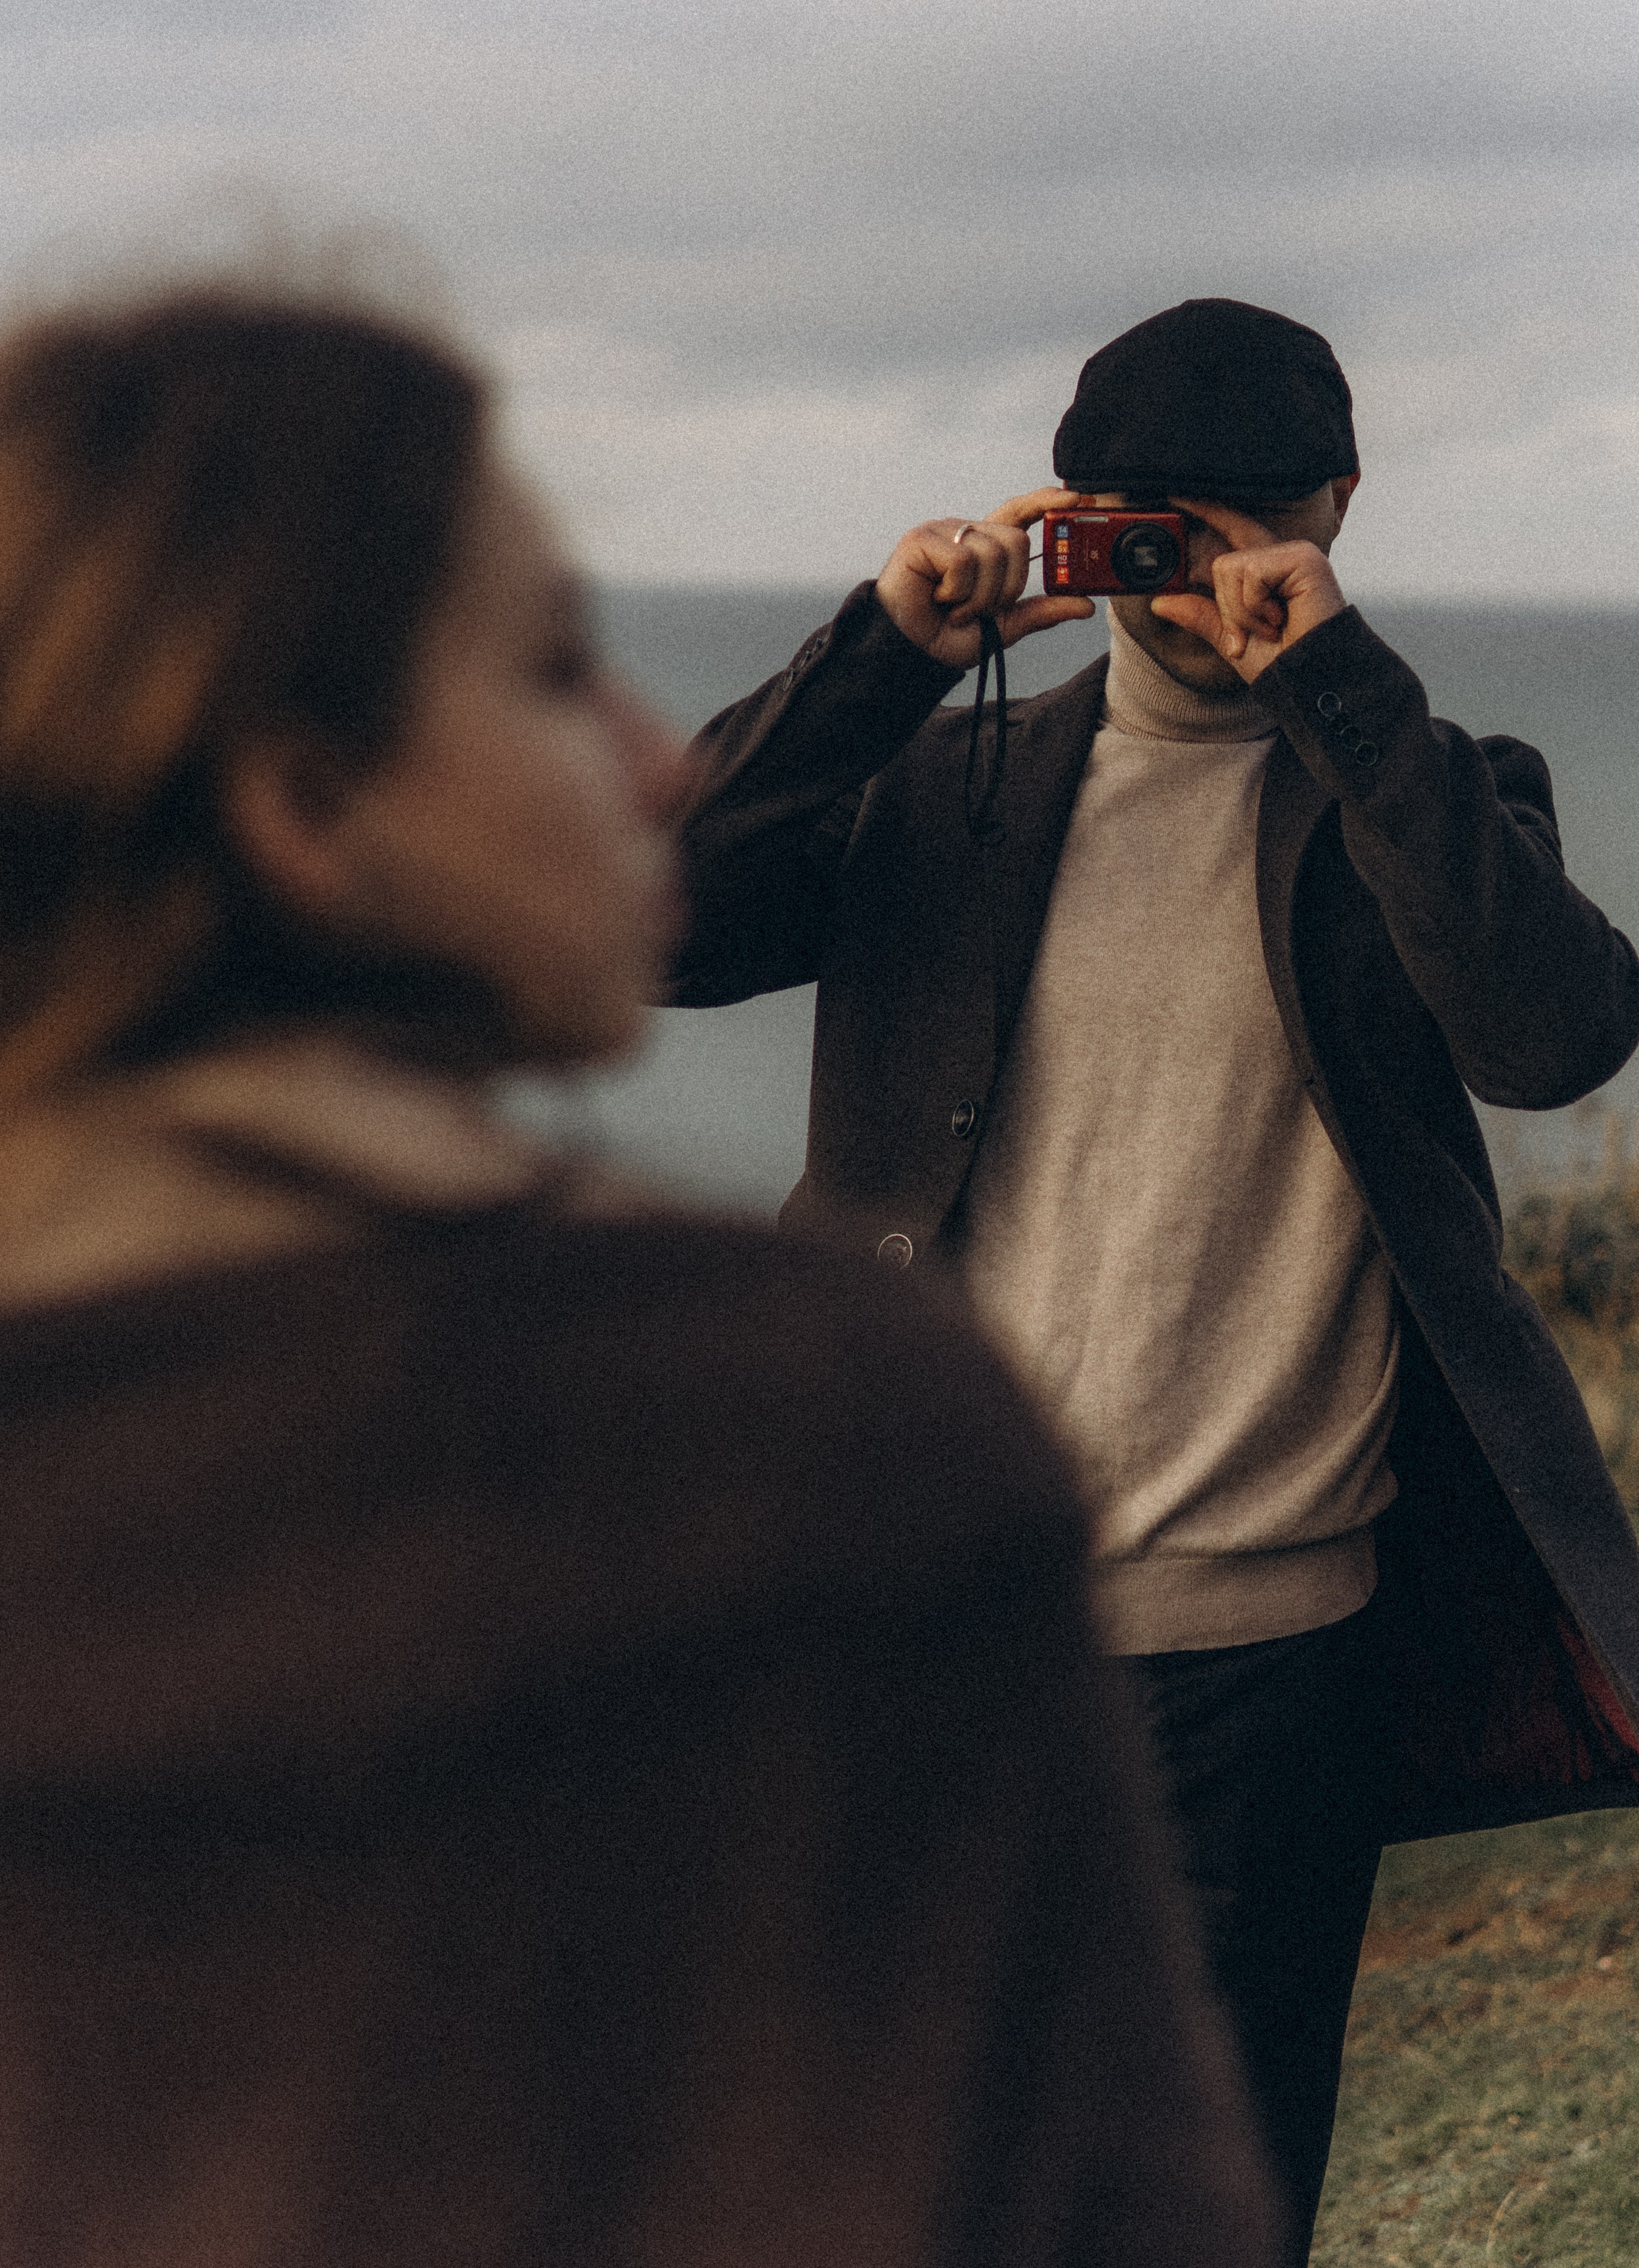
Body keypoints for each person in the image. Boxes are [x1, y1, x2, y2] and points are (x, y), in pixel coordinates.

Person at [0, 285, 1279, 2267]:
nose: (642, 756)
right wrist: (887, 660)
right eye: (551, 666)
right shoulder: (805, 1417)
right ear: (300, 806)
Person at [674, 296, 1639, 2261]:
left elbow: (1553, 1037)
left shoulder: (1432, 793)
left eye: (1229, 532)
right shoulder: (946, 788)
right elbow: (648, 916)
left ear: (1336, 512)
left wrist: (1345, 693)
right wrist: (886, 658)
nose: (1180, 581)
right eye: (1139, 532)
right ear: (1071, 523)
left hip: (1276, 1664)